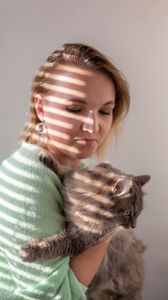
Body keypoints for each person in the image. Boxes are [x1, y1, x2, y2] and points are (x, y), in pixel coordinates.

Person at [0, 43, 130, 299]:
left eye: (105, 111)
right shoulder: (32, 175)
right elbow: (54, 296)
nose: (93, 125)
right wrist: (108, 223)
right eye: (75, 109)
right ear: (41, 108)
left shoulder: (77, 169)